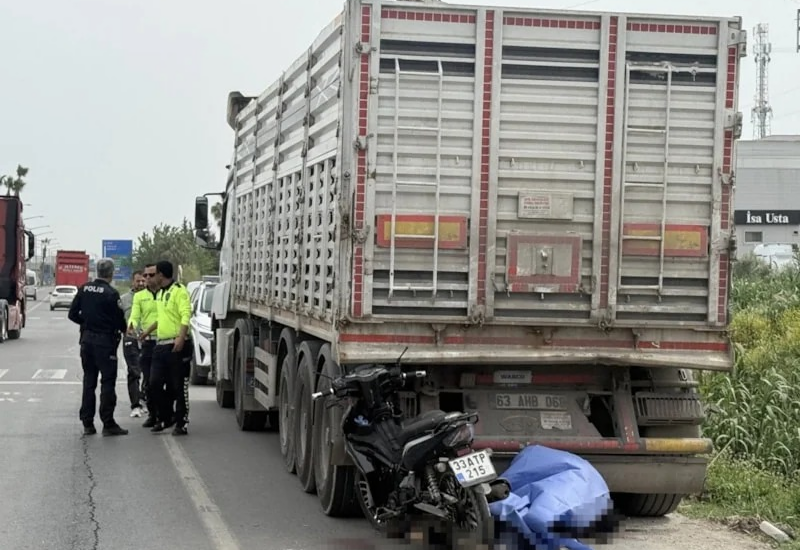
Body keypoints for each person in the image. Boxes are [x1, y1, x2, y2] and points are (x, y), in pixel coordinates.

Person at [68, 257, 129, 436]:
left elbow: (72, 314)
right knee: (107, 383)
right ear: (111, 273)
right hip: (105, 343)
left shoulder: (84, 289)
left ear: (96, 271)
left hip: (86, 341)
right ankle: (108, 423)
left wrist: (86, 323)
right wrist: (123, 330)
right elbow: (119, 320)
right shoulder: (111, 293)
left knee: (89, 382)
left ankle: (88, 423)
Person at [139, 260, 192, 435]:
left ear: (161, 275)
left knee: (178, 386)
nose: (151, 278)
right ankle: (165, 416)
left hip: (176, 345)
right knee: (153, 384)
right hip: (160, 346)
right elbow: (162, 318)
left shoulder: (179, 291)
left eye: (154, 275)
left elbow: (186, 315)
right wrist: (147, 331)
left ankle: (181, 421)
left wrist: (181, 337)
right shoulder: (162, 294)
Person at [128, 263, 162, 428]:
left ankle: (167, 414)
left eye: (151, 275)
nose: (147, 279)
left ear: (159, 276)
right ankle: (154, 415)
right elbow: (135, 315)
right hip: (147, 343)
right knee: (149, 381)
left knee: (164, 381)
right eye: (145, 276)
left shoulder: (166, 293)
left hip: (165, 341)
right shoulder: (139, 297)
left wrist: (148, 330)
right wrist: (132, 326)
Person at [120, 270, 146, 418]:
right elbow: (118, 319)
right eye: (138, 281)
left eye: (143, 281)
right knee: (134, 372)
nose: (141, 283)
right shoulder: (124, 300)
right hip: (131, 340)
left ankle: (144, 399)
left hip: (149, 340)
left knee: (149, 374)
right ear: (133, 282)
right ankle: (135, 404)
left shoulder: (152, 298)